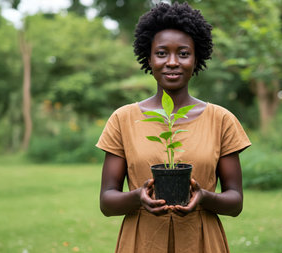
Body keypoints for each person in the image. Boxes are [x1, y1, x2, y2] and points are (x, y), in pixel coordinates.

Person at [96, 2, 251, 253]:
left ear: (196, 58)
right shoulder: (123, 119)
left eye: (182, 53)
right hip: (142, 241)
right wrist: (138, 197)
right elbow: (107, 201)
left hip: (201, 241)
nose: (171, 62)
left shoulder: (221, 119)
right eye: (161, 53)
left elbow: (235, 201)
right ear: (148, 58)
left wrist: (205, 197)